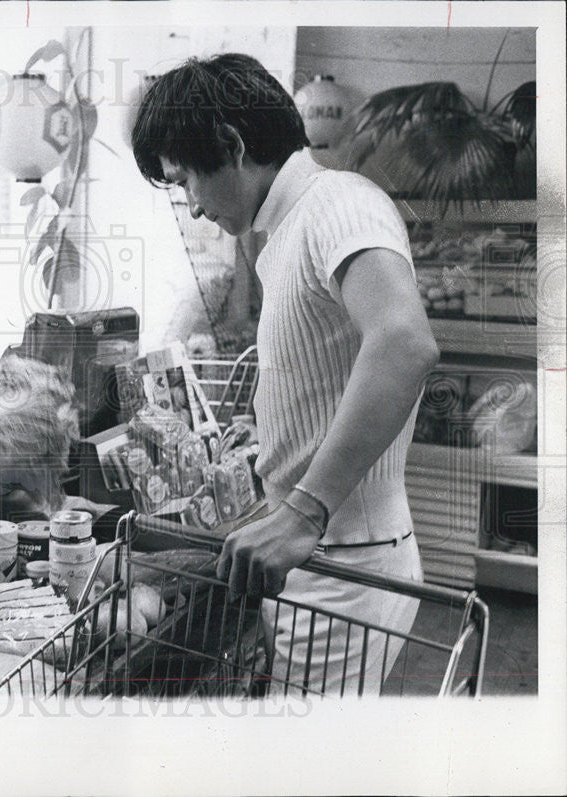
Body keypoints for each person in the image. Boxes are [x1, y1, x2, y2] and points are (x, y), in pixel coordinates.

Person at [132, 54, 440, 696]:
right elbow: (336, 359)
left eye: (185, 178)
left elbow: (405, 343)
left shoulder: (339, 204)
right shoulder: (290, 229)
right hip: (320, 561)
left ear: (230, 145)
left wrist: (303, 510)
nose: (191, 206)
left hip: (345, 568)